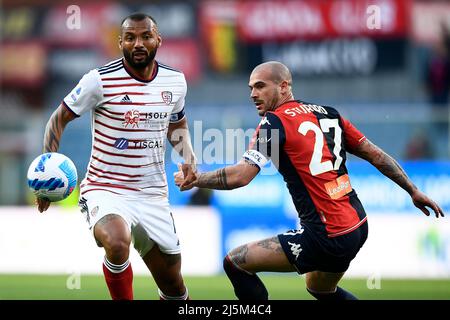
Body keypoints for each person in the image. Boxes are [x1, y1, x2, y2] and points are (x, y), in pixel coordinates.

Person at [175, 61, 444, 300]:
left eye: (260, 86)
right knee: (319, 288)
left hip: (326, 235)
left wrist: (196, 178)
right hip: (357, 225)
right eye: (250, 88)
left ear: (283, 86)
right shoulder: (329, 114)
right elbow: (375, 154)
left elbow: (241, 176)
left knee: (234, 262)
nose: (253, 94)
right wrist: (413, 190)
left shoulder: (274, 122)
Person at [36, 13, 197, 300]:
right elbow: (58, 119)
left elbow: (177, 123)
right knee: (118, 241)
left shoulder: (175, 82)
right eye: (130, 37)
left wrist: (188, 157)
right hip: (105, 189)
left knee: (174, 286)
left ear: (158, 40)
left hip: (152, 195)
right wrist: (46, 171)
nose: (138, 43)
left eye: (145, 36)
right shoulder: (99, 80)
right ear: (119, 42)